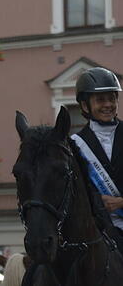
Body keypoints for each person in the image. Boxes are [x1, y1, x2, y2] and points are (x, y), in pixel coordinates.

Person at [69, 67, 123, 243]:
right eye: (100, 100)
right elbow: (74, 189)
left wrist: (121, 202)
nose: (108, 105)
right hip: (98, 230)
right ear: (85, 105)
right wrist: (98, 200)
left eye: (112, 99)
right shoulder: (75, 144)